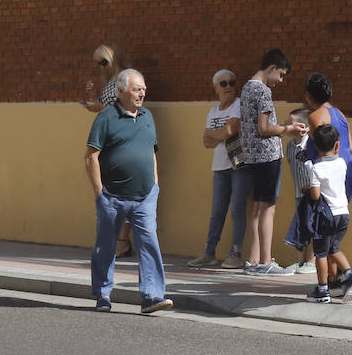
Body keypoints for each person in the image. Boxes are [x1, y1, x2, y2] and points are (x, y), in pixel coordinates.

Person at [84, 69, 173, 314]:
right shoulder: (106, 117)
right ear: (121, 90)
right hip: (111, 196)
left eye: (143, 88)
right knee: (106, 246)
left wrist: (155, 185)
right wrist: (99, 193)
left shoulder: (147, 116)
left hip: (145, 195)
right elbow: (91, 157)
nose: (142, 93)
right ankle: (102, 295)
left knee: (149, 243)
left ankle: (151, 296)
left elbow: (151, 152)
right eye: (136, 89)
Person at [240, 49, 307, 275]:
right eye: (280, 74)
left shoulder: (247, 87)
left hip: (251, 156)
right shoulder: (263, 91)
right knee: (268, 208)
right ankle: (266, 261)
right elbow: (264, 127)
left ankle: (254, 261)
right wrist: (288, 129)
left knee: (258, 208)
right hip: (267, 155)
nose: (280, 80)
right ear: (271, 68)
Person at [188, 69, 250, 269]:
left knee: (238, 209)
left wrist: (215, 133)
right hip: (220, 166)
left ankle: (235, 253)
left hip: (239, 164)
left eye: (232, 83)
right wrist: (220, 133)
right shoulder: (214, 111)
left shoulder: (240, 105)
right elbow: (206, 142)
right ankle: (209, 252)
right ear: (215, 88)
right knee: (217, 211)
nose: (228, 87)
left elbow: (231, 130)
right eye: (223, 84)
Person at [81, 42, 134, 258]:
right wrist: (94, 98)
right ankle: (116, 240)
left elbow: (125, 108)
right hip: (109, 139)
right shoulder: (112, 82)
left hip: (122, 140)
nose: (101, 67)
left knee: (123, 190)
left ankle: (122, 241)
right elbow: (108, 109)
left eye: (104, 62)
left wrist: (99, 107)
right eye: (98, 63)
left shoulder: (125, 79)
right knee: (110, 190)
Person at [304, 124, 352, 303]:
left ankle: (323, 290)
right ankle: (349, 273)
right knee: (334, 248)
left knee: (321, 252)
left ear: (315, 147)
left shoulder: (316, 168)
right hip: (343, 213)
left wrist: (307, 185)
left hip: (326, 216)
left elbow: (315, 195)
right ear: (337, 145)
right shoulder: (341, 163)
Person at [305, 73, 352, 283]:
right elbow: (350, 147)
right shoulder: (340, 114)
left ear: (308, 96)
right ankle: (334, 280)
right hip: (344, 174)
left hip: (324, 179)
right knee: (333, 236)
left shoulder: (315, 116)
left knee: (323, 236)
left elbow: (318, 147)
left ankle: (330, 282)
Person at [284, 108, 317, 274]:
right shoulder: (290, 146)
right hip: (299, 192)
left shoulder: (310, 145)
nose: (287, 126)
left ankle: (312, 260)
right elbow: (291, 163)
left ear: (304, 127)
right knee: (301, 225)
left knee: (312, 225)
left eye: (291, 123)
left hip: (312, 193)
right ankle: (300, 260)